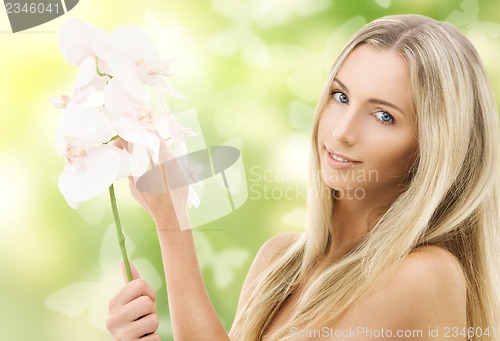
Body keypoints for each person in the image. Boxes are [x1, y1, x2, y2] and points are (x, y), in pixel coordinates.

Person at [106, 14, 500, 340]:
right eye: (341, 96)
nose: (342, 130)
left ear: (432, 148)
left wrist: (173, 223)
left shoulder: (426, 275)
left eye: (383, 116)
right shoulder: (277, 262)